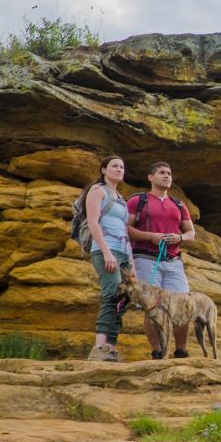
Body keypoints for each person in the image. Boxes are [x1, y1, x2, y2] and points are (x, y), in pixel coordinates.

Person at [126, 161, 196, 359]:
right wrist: (150, 236)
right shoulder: (138, 200)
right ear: (151, 177)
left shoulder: (179, 204)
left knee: (183, 304)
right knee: (153, 307)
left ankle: (181, 351)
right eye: (162, 173)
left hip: (173, 260)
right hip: (146, 260)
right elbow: (126, 229)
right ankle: (157, 352)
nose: (167, 176)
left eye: (169, 173)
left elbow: (191, 233)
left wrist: (179, 237)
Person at [83, 155, 133, 362]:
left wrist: (131, 263)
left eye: (121, 166)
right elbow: (93, 223)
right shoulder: (97, 191)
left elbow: (125, 230)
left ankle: (110, 348)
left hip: (122, 250)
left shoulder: (120, 197)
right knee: (112, 295)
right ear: (103, 170)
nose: (119, 169)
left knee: (124, 298)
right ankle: (99, 348)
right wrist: (106, 252)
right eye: (114, 166)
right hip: (106, 249)